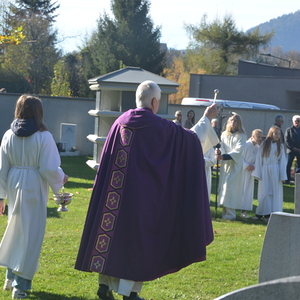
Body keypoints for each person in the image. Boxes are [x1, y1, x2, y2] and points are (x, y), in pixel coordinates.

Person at [75, 80, 218, 300]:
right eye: (158, 102)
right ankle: (129, 293)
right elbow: (190, 141)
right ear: (153, 102)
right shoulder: (159, 126)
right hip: (141, 198)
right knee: (136, 243)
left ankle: (104, 285)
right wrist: (207, 119)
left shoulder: (119, 122)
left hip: (114, 196)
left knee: (112, 238)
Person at [0, 95, 68, 299]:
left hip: (14, 182)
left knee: (16, 229)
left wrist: (1, 196)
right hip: (33, 184)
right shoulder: (43, 136)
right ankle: (20, 286)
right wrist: (61, 179)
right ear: (38, 112)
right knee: (30, 236)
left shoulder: (8, 135)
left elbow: (2, 168)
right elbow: (48, 167)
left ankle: (10, 277)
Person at [215, 113, 246, 221]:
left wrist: (224, 156)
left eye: (235, 121)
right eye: (231, 120)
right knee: (224, 187)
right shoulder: (224, 134)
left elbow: (238, 151)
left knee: (231, 188)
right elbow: (222, 146)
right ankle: (224, 211)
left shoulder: (241, 136)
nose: (233, 123)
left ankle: (230, 214)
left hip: (234, 164)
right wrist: (219, 153)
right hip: (225, 165)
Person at [252, 126, 287, 221]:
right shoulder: (264, 145)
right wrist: (258, 173)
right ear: (271, 134)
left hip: (275, 170)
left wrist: (282, 175)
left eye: (279, 134)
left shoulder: (281, 146)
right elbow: (259, 159)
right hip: (265, 169)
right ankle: (261, 213)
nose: (277, 136)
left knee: (274, 192)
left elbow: (282, 162)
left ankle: (273, 213)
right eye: (276, 133)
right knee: (264, 192)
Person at [240, 129, 263, 218]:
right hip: (242, 171)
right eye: (258, 137)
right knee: (240, 189)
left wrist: (253, 166)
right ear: (253, 136)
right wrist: (246, 165)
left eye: (261, 137)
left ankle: (244, 210)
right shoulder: (245, 145)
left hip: (250, 172)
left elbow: (257, 160)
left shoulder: (258, 147)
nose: (260, 139)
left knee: (247, 191)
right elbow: (240, 157)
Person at [285, 115, 300, 184]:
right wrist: (292, 148)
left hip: (299, 151)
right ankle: (287, 179)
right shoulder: (289, 130)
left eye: (299, 121)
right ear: (293, 122)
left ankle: (298, 180)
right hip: (291, 151)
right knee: (289, 165)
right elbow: (286, 140)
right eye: (296, 121)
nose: (297, 122)